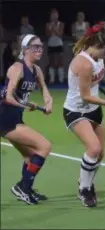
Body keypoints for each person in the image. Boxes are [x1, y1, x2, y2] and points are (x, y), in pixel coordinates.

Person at [63, 24, 105, 207]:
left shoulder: (97, 57)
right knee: (94, 148)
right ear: (98, 46)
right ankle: (84, 190)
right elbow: (85, 96)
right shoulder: (83, 64)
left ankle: (86, 183)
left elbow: (93, 85)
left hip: (94, 110)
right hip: (76, 110)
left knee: (100, 154)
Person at [0, 34, 53, 205]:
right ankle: (23, 188)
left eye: (41, 47)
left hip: (15, 117)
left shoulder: (36, 70)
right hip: (5, 118)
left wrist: (48, 102)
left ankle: (25, 188)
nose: (40, 50)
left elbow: (44, 89)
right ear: (25, 49)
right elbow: (8, 97)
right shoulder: (17, 68)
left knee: (30, 156)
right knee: (44, 146)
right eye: (35, 47)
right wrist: (26, 105)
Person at [46, 8, 64, 84]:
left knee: (60, 62)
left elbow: (60, 34)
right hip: (51, 44)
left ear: (58, 15)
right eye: (52, 14)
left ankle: (61, 79)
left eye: (55, 14)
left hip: (59, 44)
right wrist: (50, 29)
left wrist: (53, 28)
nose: (54, 16)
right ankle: (52, 79)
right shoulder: (47, 24)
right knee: (51, 62)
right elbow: (47, 35)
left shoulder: (61, 24)